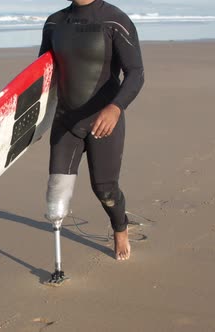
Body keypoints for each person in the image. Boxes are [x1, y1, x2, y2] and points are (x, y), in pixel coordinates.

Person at [40, 0, 145, 260]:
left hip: (103, 121)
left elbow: (136, 72)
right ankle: (58, 265)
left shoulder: (115, 20)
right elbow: (43, 73)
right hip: (65, 122)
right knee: (56, 196)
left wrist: (116, 107)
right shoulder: (55, 22)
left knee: (105, 190)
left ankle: (120, 228)